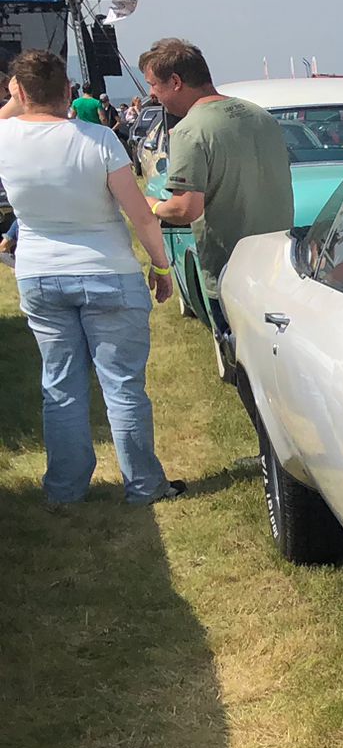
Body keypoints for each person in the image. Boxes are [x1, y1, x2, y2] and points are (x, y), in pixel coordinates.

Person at [0, 50, 180, 504]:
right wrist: (161, 265)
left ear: (17, 91)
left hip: (40, 273)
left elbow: (12, 111)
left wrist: (17, 99)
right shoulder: (99, 138)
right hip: (107, 269)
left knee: (60, 386)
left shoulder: (5, 136)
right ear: (68, 90)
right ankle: (144, 485)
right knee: (122, 386)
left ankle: (64, 489)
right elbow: (140, 215)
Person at [141, 38, 293, 360]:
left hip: (230, 267)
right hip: (278, 260)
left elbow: (185, 208)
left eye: (153, 85)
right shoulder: (260, 115)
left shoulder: (189, 131)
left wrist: (151, 206)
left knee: (241, 361)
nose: (152, 94)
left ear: (176, 81)